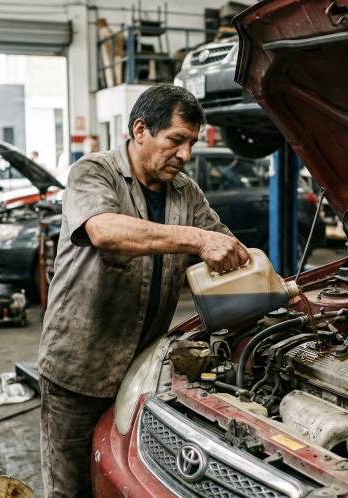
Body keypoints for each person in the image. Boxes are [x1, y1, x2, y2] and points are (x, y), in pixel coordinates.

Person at [39, 84, 248, 497]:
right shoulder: (93, 172)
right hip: (79, 369)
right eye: (176, 140)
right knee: (73, 489)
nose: (185, 155)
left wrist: (278, 288)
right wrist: (195, 240)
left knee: (126, 481)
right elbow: (104, 230)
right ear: (140, 130)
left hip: (143, 372)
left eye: (191, 143)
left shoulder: (186, 193)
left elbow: (228, 249)